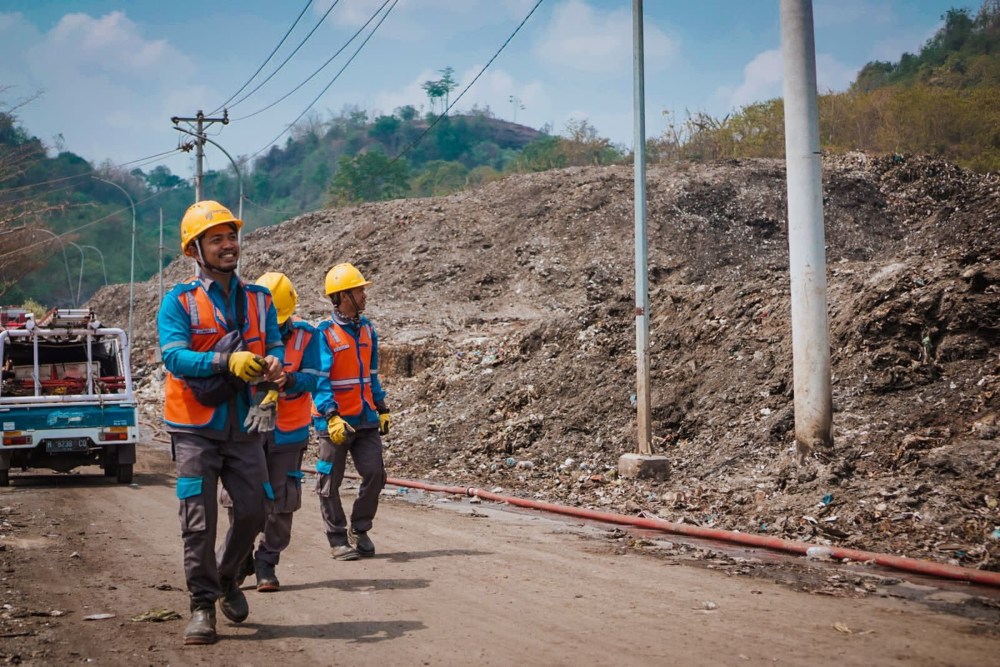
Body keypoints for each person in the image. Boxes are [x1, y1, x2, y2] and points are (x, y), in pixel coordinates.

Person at [157, 200, 284, 646]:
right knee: (199, 521)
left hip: (244, 427)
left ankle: (229, 577)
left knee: (254, 511)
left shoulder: (259, 299)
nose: (228, 245)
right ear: (195, 249)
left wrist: (274, 365)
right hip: (193, 428)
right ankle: (202, 605)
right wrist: (226, 360)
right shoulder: (179, 301)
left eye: (231, 236)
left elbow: (276, 346)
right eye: (217, 239)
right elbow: (173, 355)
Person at [239, 272, 322, 592]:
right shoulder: (243, 332)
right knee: (242, 498)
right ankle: (240, 554)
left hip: (288, 432)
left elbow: (315, 377)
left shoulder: (305, 335)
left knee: (282, 501)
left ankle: (266, 563)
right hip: (250, 427)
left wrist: (288, 380)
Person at [312, 262, 391, 561]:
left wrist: (381, 408)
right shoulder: (324, 333)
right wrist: (331, 415)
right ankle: (336, 538)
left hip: (365, 417)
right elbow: (319, 380)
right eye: (359, 290)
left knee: (375, 474)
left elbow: (371, 375)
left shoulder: (368, 329)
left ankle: (360, 527)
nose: (364, 295)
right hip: (334, 422)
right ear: (344, 295)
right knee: (329, 480)